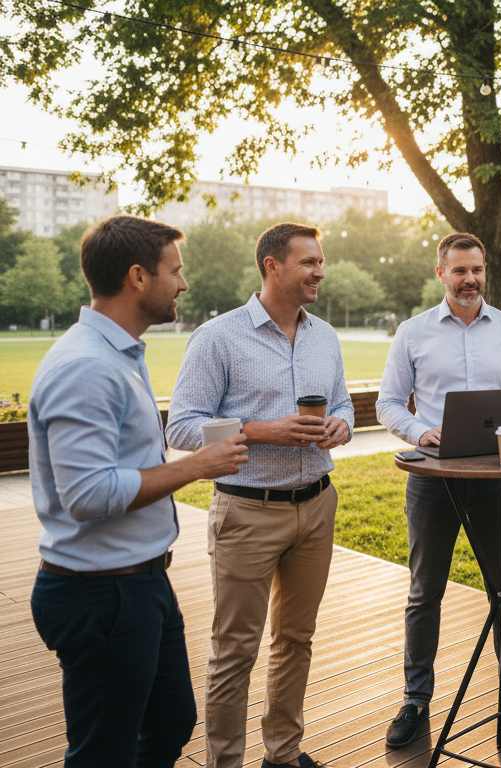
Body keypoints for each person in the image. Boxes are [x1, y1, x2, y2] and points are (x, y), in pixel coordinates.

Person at [28, 215, 249, 768]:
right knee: (103, 753)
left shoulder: (119, 354)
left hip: (140, 583)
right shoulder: (86, 367)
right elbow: (88, 493)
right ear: (138, 278)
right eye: (175, 270)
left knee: (170, 720)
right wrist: (198, 465)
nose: (184, 283)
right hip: (99, 596)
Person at [166, 223, 353, 768]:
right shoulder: (219, 337)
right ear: (272, 266)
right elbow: (181, 428)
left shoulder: (325, 336)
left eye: (321, 261)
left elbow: (341, 404)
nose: (320, 271)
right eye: (308, 262)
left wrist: (340, 425)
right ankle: (225, 763)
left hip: (317, 506)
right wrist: (264, 430)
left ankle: (284, 755)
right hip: (247, 511)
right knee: (234, 651)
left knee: (296, 640)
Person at [375, 232, 501, 747]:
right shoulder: (413, 332)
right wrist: (418, 431)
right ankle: (415, 699)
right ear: (441, 274)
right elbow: (388, 403)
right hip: (434, 480)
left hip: (499, 479)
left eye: (476, 270)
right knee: (423, 590)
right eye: (459, 271)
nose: (470, 279)